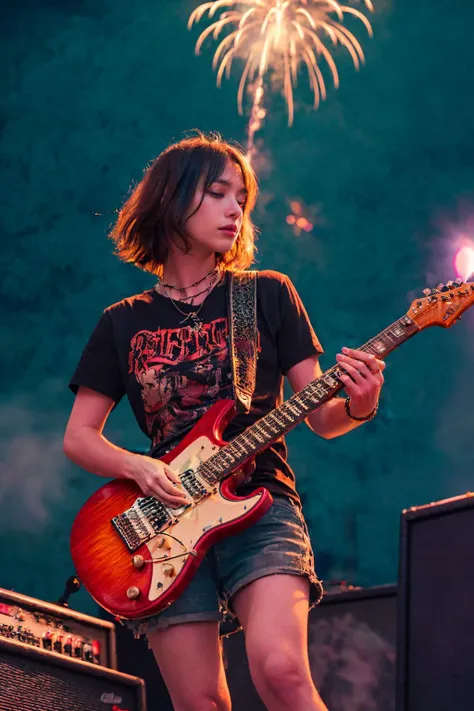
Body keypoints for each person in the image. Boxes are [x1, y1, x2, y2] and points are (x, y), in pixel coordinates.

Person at [64, 131, 385, 711]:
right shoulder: (121, 323)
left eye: (242, 196)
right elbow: (79, 437)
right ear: (171, 198)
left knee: (283, 671)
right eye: (217, 192)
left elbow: (323, 416)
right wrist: (137, 467)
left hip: (259, 507)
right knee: (201, 705)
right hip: (161, 530)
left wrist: (360, 402)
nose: (235, 208)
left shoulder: (264, 294)